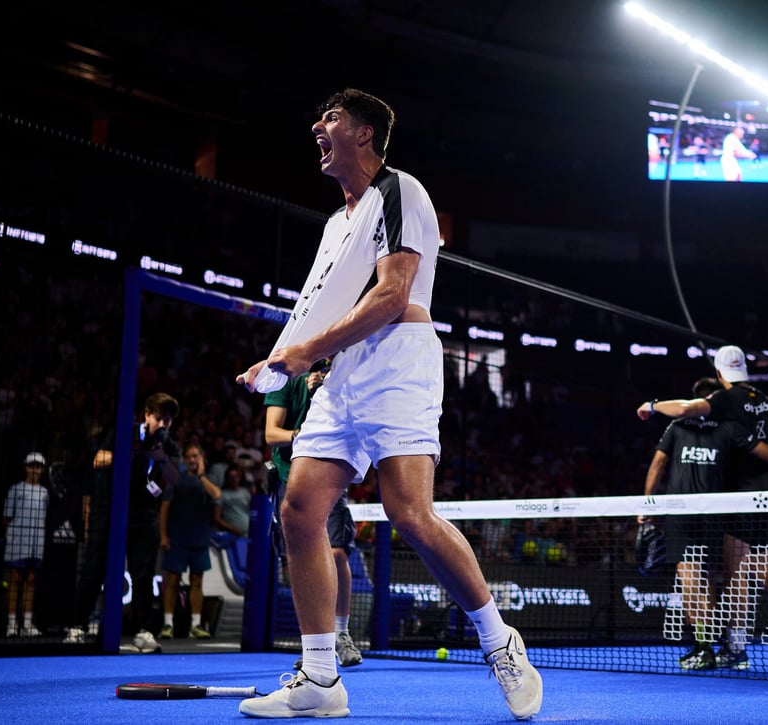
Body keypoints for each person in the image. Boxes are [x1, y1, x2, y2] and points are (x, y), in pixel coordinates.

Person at [235, 88, 542, 720]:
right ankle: (320, 678)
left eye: (332, 118)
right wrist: (279, 358)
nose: (317, 126)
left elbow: (392, 295)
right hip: (344, 371)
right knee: (299, 509)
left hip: (401, 358)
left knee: (410, 513)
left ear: (365, 133)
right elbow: (317, 305)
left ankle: (499, 641)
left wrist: (301, 354)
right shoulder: (334, 223)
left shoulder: (401, 191)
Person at [637, 345, 768, 667]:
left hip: (709, 508)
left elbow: (662, 451)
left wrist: (651, 405)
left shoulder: (709, 411)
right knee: (749, 574)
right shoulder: (750, 413)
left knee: (707, 576)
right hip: (747, 505)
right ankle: (740, 646)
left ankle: (710, 647)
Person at [263, 358, 364, 668]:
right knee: (301, 558)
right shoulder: (284, 380)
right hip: (289, 477)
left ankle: (341, 633)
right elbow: (271, 433)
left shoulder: (341, 378)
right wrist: (307, 413)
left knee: (337, 554)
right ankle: (315, 643)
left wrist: (326, 394)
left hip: (329, 473)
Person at [64, 392, 180, 654]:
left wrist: (159, 457)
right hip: (110, 511)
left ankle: (142, 631)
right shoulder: (123, 433)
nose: (162, 425)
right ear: (147, 415)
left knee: (144, 575)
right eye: (159, 418)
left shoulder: (167, 445)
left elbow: (174, 479)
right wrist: (133, 453)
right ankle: (77, 625)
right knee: (94, 566)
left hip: (144, 515)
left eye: (168, 421)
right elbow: (98, 460)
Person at [158, 442, 222, 640]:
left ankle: (195, 625)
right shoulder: (176, 479)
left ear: (202, 458)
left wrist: (201, 476)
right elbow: (165, 509)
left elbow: (217, 495)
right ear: (184, 460)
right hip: (177, 538)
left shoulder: (209, 479)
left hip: (199, 538)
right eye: (189, 457)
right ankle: (168, 625)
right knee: (173, 580)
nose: (192, 460)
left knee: (197, 581)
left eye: (196, 456)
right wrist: (163, 536)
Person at [3, 451, 49, 637]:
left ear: (42, 470)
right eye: (31, 466)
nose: (34, 470)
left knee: (31, 581)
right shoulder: (16, 490)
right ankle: (12, 624)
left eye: (38, 467)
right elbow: (6, 517)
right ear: (25, 468)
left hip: (36, 543)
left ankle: (28, 624)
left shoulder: (45, 493)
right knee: (14, 580)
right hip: (17, 541)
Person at [213, 457, 252, 538]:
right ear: (227, 479)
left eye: (236, 477)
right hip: (231, 535)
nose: (234, 480)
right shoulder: (221, 494)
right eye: (231, 477)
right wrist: (232, 528)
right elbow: (216, 518)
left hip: (248, 534)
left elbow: (252, 511)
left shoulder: (245, 492)